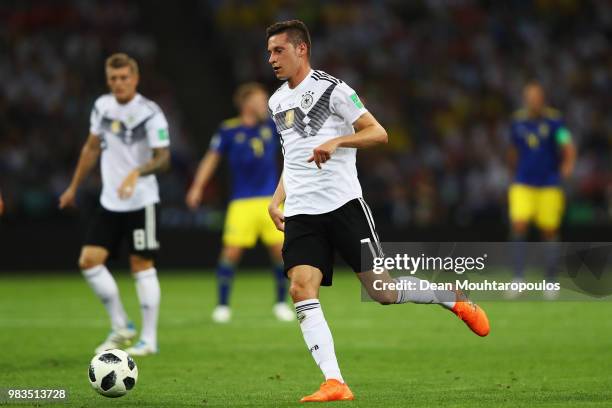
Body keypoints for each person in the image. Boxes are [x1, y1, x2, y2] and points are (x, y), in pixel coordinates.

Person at [265, 20, 490, 402]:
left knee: (382, 292)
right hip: (302, 211)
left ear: (301, 49)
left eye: (278, 50)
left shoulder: (334, 90)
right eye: (269, 52)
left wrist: (338, 140)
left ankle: (449, 297)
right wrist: (277, 198)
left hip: (343, 206)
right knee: (301, 287)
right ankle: (334, 382)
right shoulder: (276, 101)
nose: (271, 59)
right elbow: (292, 156)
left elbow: (378, 132)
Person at [59, 53, 170, 356]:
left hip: (142, 201)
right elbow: (92, 147)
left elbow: (163, 157)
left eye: (124, 78)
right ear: (108, 80)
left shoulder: (150, 112)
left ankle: (148, 339)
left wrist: (136, 171)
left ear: (135, 79)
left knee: (141, 266)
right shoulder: (102, 106)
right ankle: (122, 326)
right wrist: (73, 187)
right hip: (110, 202)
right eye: (113, 79)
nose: (119, 83)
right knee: (89, 261)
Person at [186, 82, 294, 323]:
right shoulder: (228, 130)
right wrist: (197, 187)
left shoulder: (272, 125)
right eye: (259, 100)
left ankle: (280, 304)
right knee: (231, 254)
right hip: (241, 203)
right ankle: (222, 305)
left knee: (282, 254)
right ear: (246, 104)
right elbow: (211, 160)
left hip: (271, 201)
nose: (264, 105)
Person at [506, 81, 576, 299]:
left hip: (549, 184)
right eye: (529, 97)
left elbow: (567, 143)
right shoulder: (517, 123)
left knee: (550, 231)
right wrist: (513, 172)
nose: (533, 101)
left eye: (536, 96)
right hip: (523, 183)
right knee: (518, 225)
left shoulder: (555, 121)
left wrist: (567, 166)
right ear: (525, 99)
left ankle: (551, 281)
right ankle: (518, 278)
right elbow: (512, 150)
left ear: (542, 98)